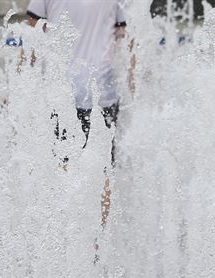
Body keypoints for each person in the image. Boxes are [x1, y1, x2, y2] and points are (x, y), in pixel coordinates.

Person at [25, 0, 135, 228]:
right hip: (103, 90)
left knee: (64, 162)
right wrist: (130, 81)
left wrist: (21, 83)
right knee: (104, 167)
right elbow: (124, 37)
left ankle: (67, 234)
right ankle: (98, 239)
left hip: (64, 91)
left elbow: (32, 38)